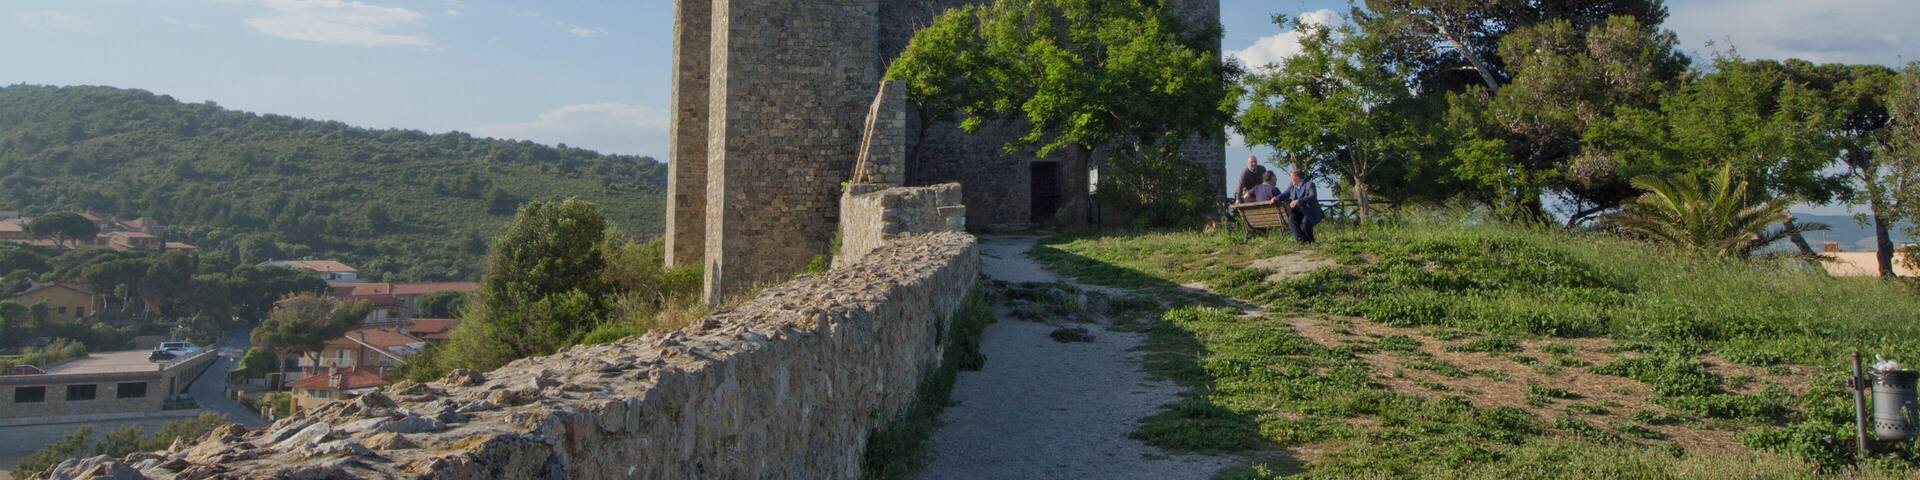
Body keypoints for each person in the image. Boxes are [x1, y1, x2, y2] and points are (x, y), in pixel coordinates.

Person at [1281, 169, 1323, 243]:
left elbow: (1313, 196)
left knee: (1305, 223)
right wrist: (1275, 198)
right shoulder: (1292, 185)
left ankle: (1310, 242)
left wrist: (1298, 201)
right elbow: (1285, 194)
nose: (1290, 179)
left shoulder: (1309, 184)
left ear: (1297, 177)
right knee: (1291, 219)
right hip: (1298, 212)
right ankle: (1301, 241)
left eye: (1291, 177)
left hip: (1310, 211)